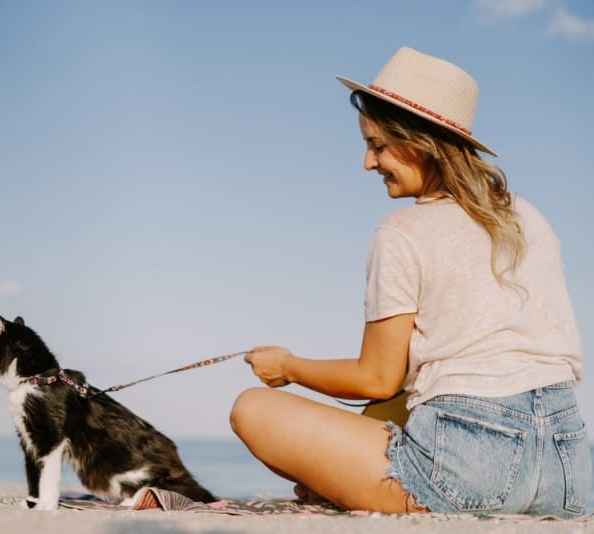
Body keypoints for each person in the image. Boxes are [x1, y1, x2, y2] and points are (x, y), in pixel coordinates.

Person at [230, 47, 590, 517]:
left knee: (252, 409)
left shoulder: (401, 231)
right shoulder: (526, 216)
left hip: (470, 466)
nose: (367, 163)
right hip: (568, 468)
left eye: (377, 145)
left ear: (418, 143)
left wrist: (288, 366)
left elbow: (376, 379)